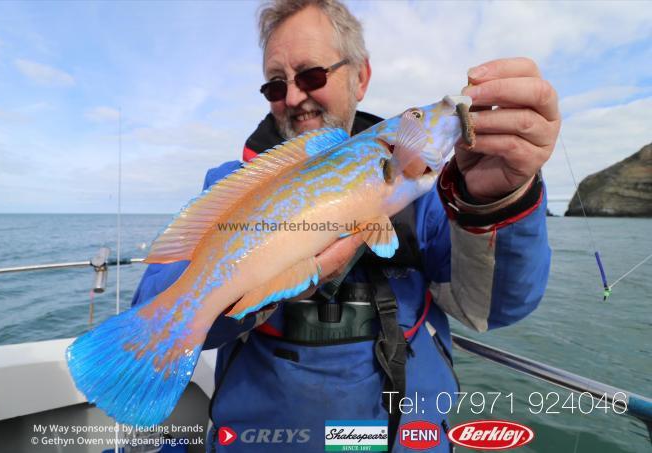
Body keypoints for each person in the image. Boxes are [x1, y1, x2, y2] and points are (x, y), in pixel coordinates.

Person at [132, 1, 559, 451]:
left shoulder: (434, 195)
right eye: (276, 85)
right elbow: (155, 303)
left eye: (312, 75)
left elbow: (491, 309)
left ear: (361, 77)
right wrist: (269, 284)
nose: (294, 97)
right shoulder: (230, 185)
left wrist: (492, 201)